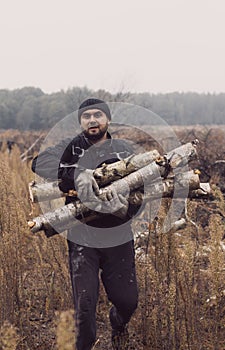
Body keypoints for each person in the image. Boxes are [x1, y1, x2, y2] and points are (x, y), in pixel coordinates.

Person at [32, 98, 139, 350]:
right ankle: (84, 344)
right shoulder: (71, 147)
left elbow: (143, 189)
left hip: (118, 234)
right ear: (81, 121)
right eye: (87, 116)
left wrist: (126, 209)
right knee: (85, 304)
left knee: (127, 301)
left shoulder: (123, 149)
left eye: (98, 115)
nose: (92, 120)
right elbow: (39, 163)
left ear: (107, 119)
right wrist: (78, 174)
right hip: (83, 236)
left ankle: (118, 323)